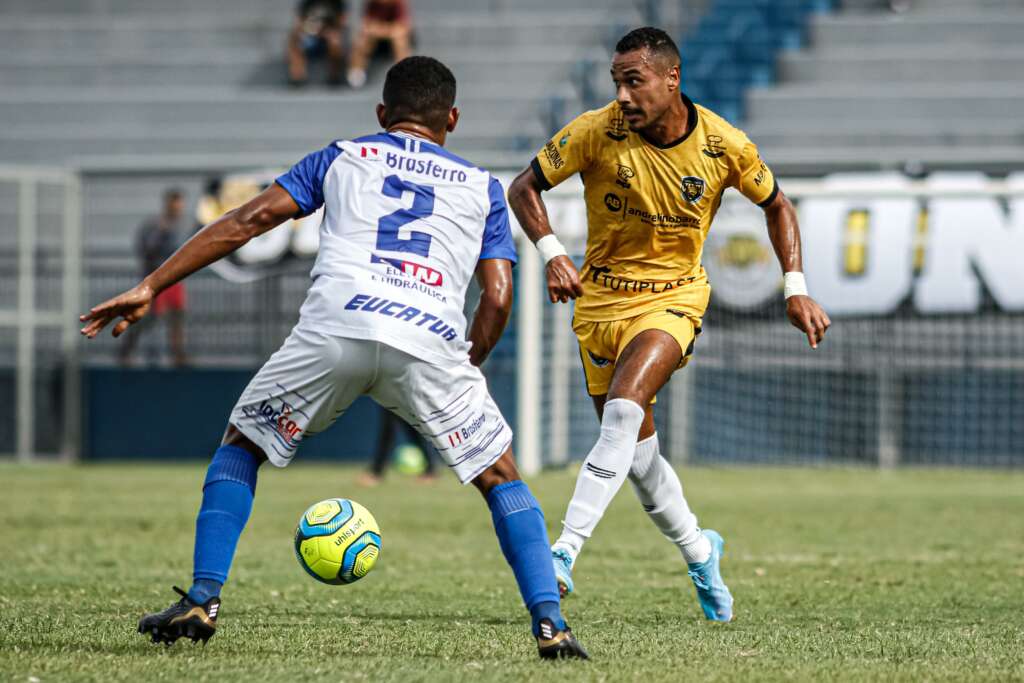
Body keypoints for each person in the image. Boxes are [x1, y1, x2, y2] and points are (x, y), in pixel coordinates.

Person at [81, 56, 587, 660]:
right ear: (451, 119)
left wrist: (151, 286)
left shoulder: (343, 155)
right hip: (429, 342)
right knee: (500, 476)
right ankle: (550, 624)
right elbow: (498, 296)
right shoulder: (481, 185)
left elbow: (249, 220)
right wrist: (466, 360)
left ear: (381, 114)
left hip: (336, 327)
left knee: (241, 444)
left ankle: (202, 597)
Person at [507, 27, 831, 622]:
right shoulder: (594, 131)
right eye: (617, 83)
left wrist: (795, 287)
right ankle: (702, 551)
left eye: (635, 82)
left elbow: (777, 204)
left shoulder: (721, 144)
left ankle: (562, 553)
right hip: (600, 304)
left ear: (671, 79)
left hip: (674, 299)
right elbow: (523, 187)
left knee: (626, 410)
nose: (624, 96)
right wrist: (553, 251)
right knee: (637, 455)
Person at [118, 188, 189, 367]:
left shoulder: (179, 227)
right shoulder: (155, 226)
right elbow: (146, 249)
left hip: (175, 280)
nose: (178, 209)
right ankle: (126, 351)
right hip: (158, 279)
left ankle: (178, 356)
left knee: (177, 318)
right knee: (147, 318)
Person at [358, 406, 437, 486]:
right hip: (393, 396)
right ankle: (430, 470)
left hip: (397, 395)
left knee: (392, 429)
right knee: (406, 428)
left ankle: (376, 472)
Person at [346, 0, 411, 89]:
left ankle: (404, 76)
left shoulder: (398, 3)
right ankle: (356, 73)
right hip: (376, 40)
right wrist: (384, 30)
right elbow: (366, 26)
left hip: (391, 39)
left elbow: (402, 28)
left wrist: (380, 29)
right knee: (362, 40)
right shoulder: (372, 4)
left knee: (399, 41)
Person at [287, 0, 347, 87]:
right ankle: (297, 76)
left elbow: (342, 22)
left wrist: (326, 31)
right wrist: (308, 30)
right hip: (311, 38)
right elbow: (299, 23)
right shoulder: (307, 3)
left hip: (329, 36)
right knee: (295, 40)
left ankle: (334, 77)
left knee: (335, 40)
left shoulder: (337, 3)